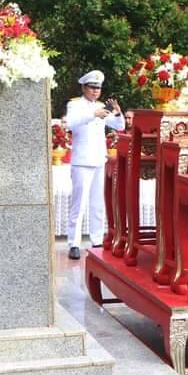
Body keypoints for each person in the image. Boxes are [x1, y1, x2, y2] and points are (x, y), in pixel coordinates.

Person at [65, 70, 124, 260]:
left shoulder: (101, 106)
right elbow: (71, 124)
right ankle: (74, 243)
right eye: (92, 87)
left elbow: (120, 126)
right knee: (78, 204)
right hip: (82, 161)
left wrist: (117, 112)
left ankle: (97, 239)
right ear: (84, 88)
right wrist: (93, 114)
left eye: (98, 88)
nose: (96, 91)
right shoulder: (75, 105)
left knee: (97, 203)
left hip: (99, 159)